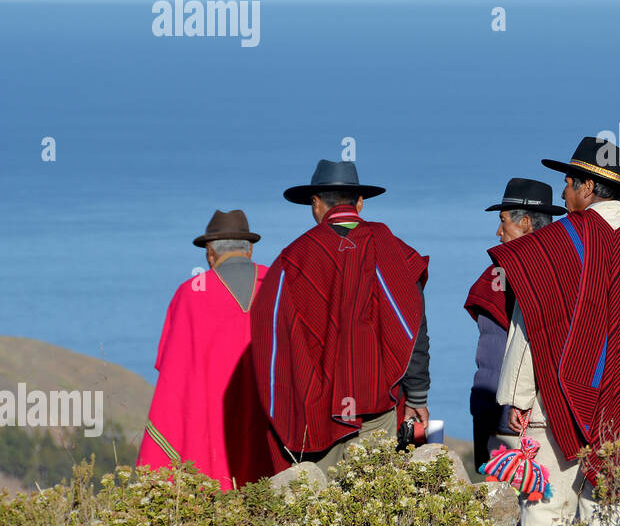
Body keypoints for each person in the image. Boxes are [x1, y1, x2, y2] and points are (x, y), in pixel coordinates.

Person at [491, 136, 620, 526]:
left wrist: (517, 398)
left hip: (552, 404)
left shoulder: (550, 245)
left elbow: (528, 326)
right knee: (607, 524)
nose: (562, 192)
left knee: (546, 511)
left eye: (568, 182)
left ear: (588, 187)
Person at [250, 160, 430, 477]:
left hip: (316, 413)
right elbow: (413, 325)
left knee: (318, 507)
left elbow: (272, 340)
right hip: (378, 403)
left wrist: (295, 401)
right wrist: (417, 394)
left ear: (315, 203)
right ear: (359, 202)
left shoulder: (293, 259)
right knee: (374, 501)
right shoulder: (394, 250)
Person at [137, 210, 281, 490]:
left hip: (211, 428)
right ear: (250, 249)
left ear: (209, 253)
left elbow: (173, 373)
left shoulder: (191, 293)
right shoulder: (278, 282)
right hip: (271, 418)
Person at [465, 178, 565, 470]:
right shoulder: (569, 268)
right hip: (561, 417)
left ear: (525, 223)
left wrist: (487, 416)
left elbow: (492, 359)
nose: (498, 232)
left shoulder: (498, 277)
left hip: (508, 421)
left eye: (503, 221)